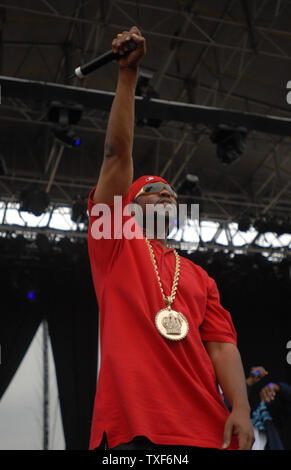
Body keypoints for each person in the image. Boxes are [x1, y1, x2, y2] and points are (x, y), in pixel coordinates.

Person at [87, 26, 254, 451]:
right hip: (134, 428)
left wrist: (241, 408)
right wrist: (127, 77)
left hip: (205, 429)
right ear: (128, 205)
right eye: (152, 191)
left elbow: (222, 349)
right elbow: (117, 155)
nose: (165, 195)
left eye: (172, 195)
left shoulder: (200, 277)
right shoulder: (114, 241)